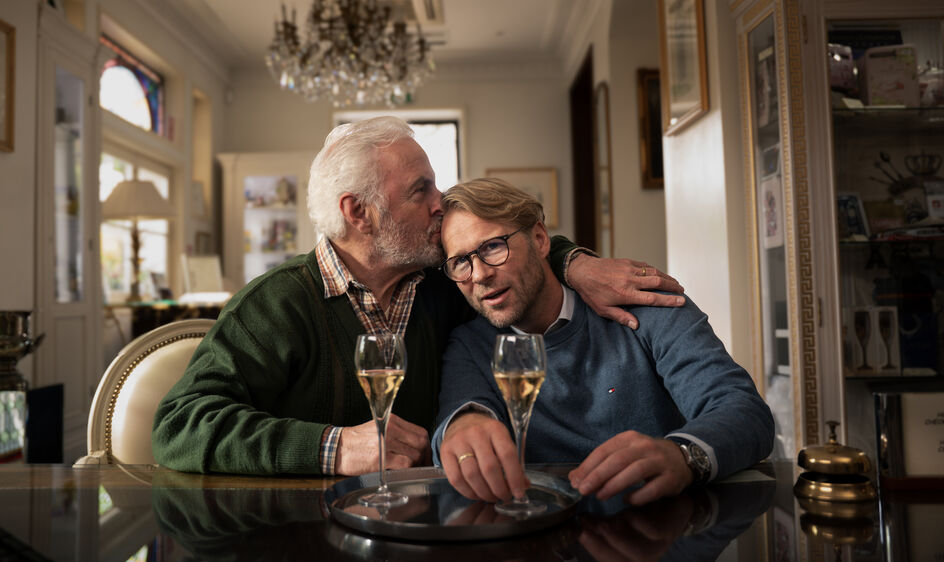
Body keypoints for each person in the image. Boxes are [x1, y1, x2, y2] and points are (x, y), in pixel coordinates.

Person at [152, 117, 686, 476]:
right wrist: (333, 448)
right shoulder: (277, 304)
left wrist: (574, 262)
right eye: (421, 190)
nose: (442, 203)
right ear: (358, 212)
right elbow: (179, 425)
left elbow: (513, 246)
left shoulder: (446, 281)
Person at [432, 178, 774, 505]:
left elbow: (744, 412)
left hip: (662, 529)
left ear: (539, 239)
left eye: (493, 247)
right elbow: (463, 414)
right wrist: (463, 427)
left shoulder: (643, 304)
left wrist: (682, 455)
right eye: (461, 261)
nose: (479, 274)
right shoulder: (469, 346)